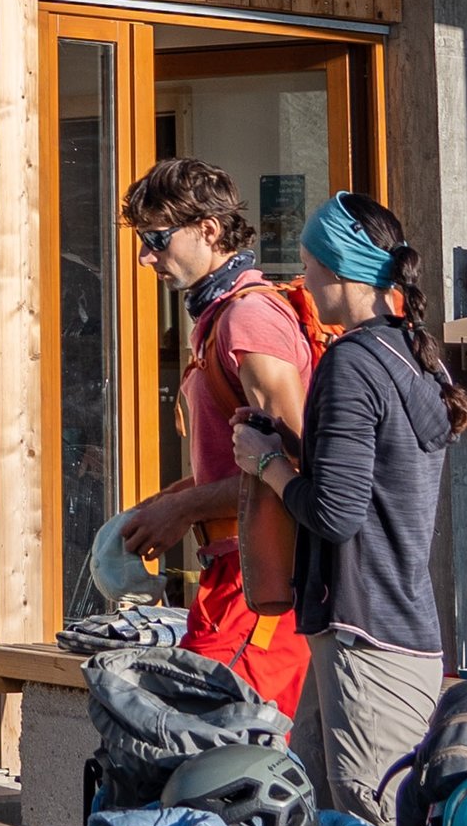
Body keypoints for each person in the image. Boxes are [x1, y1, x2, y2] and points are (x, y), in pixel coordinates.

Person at [98, 159, 328, 723]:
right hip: (234, 579)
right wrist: (169, 502)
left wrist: (185, 505)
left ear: (208, 229)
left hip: (266, 590)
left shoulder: (248, 319)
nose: (145, 257)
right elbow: (243, 463)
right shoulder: (222, 318)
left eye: (156, 239)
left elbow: (297, 465)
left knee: (223, 757)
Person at [280, 193, 467, 826]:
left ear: (339, 271)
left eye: (310, 265)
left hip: (364, 640)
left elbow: (336, 513)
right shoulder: (415, 358)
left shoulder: (351, 364)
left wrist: (264, 464)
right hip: (399, 633)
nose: (303, 281)